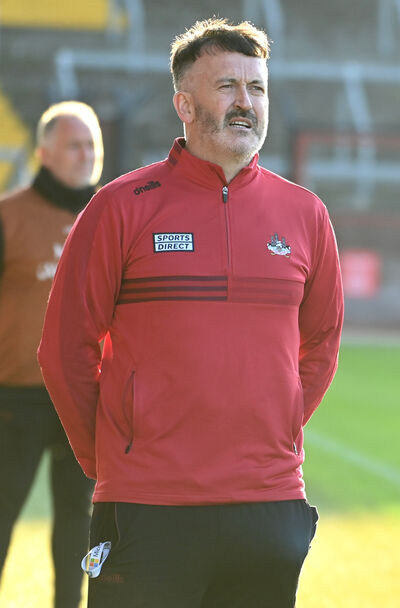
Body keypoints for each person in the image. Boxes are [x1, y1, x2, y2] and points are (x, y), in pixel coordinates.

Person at [37, 18, 343, 608]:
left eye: (257, 87)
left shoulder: (305, 213)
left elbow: (322, 342)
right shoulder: (119, 208)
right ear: (184, 103)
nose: (246, 102)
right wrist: (110, 456)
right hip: (148, 507)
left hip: (267, 504)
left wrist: (274, 428)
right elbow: (64, 349)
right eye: (227, 86)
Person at [0, 101, 102, 608]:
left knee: (77, 530)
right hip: (13, 399)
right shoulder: (8, 216)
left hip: (83, 400)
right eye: (73, 145)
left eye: (91, 145)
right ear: (43, 152)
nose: (85, 155)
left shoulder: (113, 217)